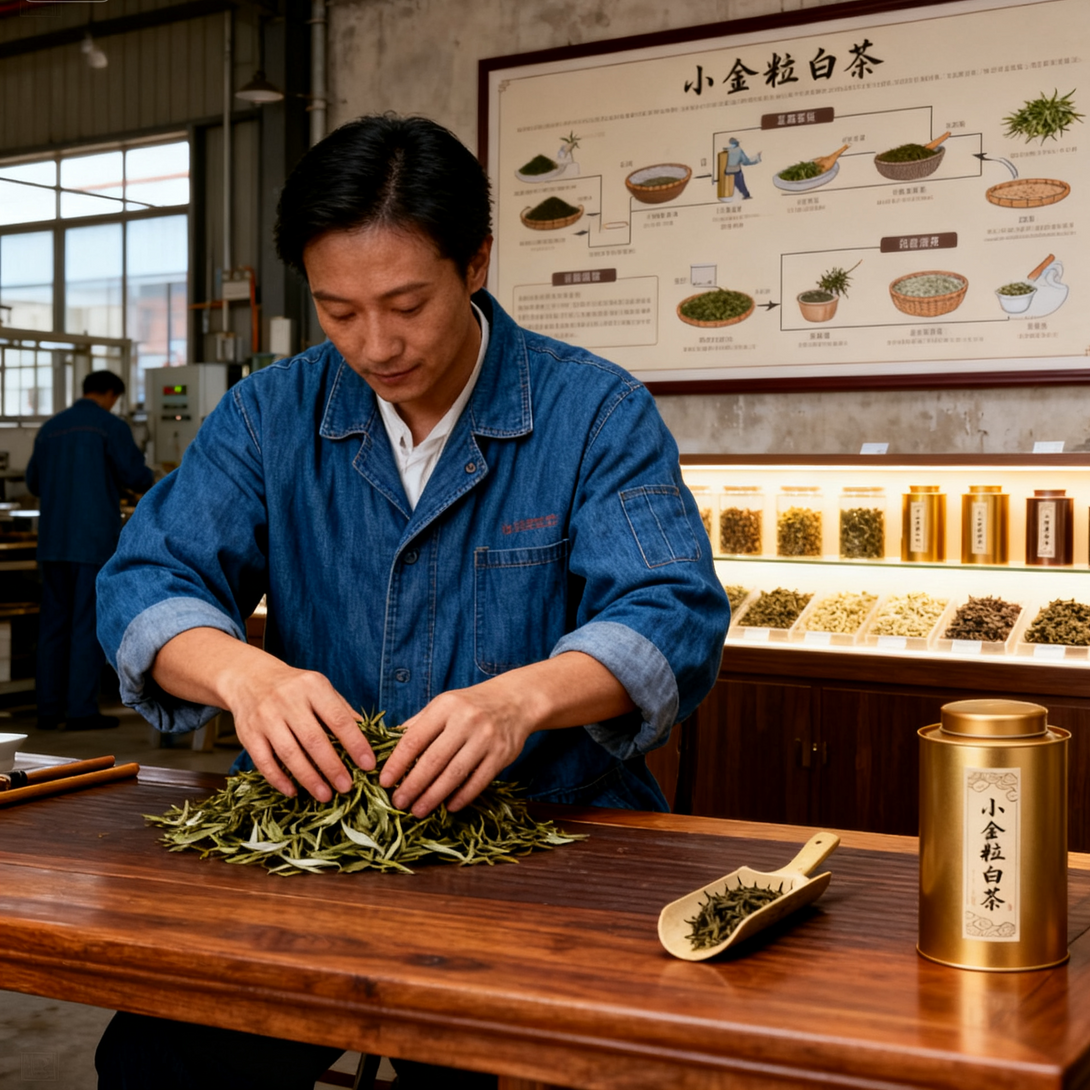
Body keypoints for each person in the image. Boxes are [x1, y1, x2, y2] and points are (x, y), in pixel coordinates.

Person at [94, 114, 729, 1090]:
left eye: (405, 303)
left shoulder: (591, 410)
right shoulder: (272, 413)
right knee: (157, 1059)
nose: (376, 344)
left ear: (474, 262)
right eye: (337, 310)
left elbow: (668, 612)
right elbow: (147, 581)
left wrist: (519, 701)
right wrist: (245, 675)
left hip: (544, 836)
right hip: (320, 837)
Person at [26, 370, 153, 731]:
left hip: (52, 543)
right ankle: (81, 710)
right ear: (112, 393)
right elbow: (136, 476)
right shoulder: (109, 426)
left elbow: (34, 481)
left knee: (51, 626)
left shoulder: (51, 428)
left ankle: (48, 710)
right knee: (86, 624)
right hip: (92, 540)